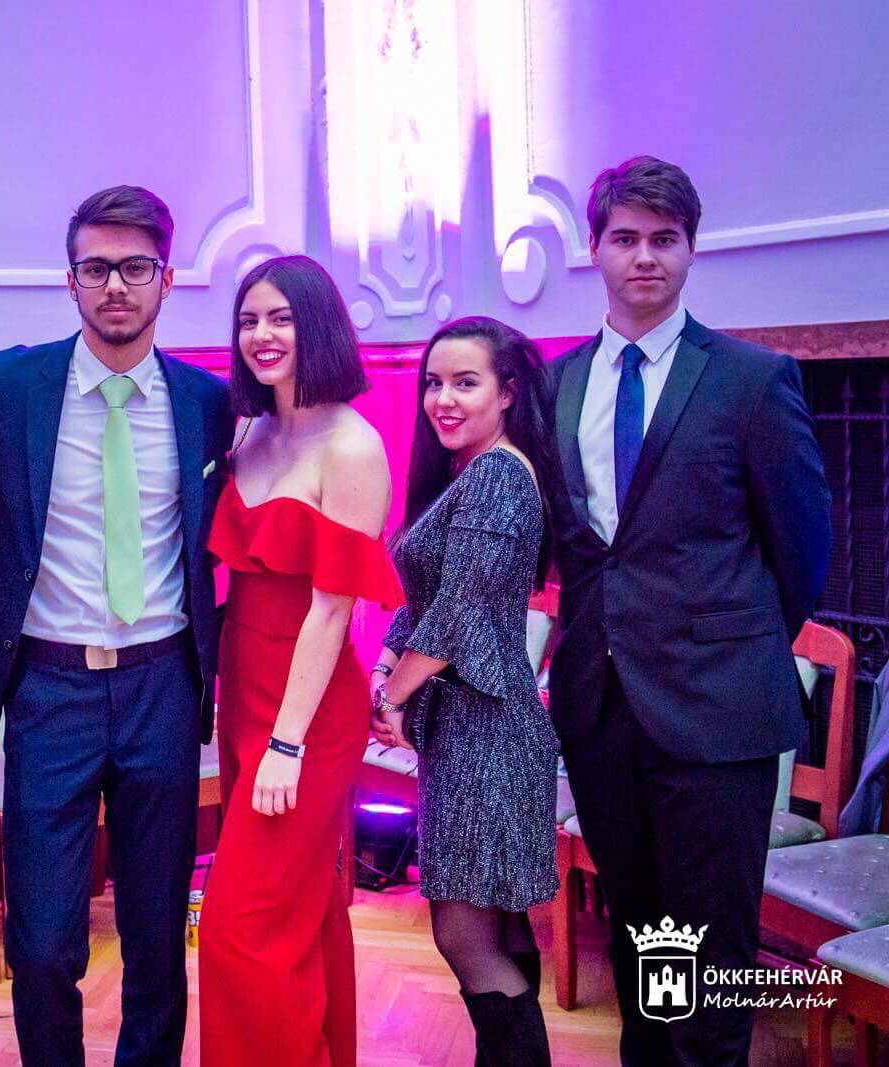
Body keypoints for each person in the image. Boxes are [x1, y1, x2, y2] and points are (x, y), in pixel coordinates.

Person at [546, 156, 830, 1065]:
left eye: (664, 239)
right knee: (641, 940)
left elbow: (802, 548)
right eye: (625, 238)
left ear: (691, 250)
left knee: (711, 959)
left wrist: (728, 646)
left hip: (718, 711)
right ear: (594, 248)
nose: (645, 257)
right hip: (600, 708)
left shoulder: (753, 379)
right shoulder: (556, 382)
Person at [0, 185, 233, 1065]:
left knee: (157, 935)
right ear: (70, 278)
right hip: (51, 689)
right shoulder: (9, 388)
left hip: (163, 684)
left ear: (167, 278)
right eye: (95, 268)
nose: (115, 285)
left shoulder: (206, 401)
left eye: (135, 267)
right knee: (44, 942)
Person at [198, 255, 401, 1067]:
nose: (262, 333)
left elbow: (332, 608)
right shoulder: (251, 430)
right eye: (249, 319)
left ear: (317, 324)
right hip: (242, 685)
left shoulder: (353, 444)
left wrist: (286, 740)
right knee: (301, 910)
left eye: (280, 316)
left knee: (239, 927)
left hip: (306, 712)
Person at [370, 316, 559, 1065]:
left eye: (465, 382)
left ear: (507, 392)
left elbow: (458, 609)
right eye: (433, 383)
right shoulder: (472, 472)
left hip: (489, 729)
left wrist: (390, 696)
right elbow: (429, 597)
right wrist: (389, 659)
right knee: (498, 930)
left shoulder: (499, 475)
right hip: (476, 724)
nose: (442, 399)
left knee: (462, 933)